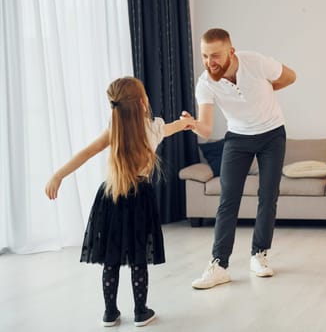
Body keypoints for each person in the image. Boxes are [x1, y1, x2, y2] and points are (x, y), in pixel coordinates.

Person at [45, 77, 191, 327]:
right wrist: (187, 122)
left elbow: (86, 153)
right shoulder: (154, 127)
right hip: (140, 199)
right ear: (143, 103)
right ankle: (140, 311)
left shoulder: (113, 130)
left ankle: (110, 313)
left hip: (110, 197)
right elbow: (174, 127)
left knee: (111, 258)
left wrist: (58, 175)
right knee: (138, 259)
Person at [182, 28, 296, 290]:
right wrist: (193, 124)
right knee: (228, 201)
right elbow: (208, 128)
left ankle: (259, 255)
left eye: (215, 55)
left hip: (272, 134)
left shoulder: (255, 62)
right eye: (204, 56)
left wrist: (268, 89)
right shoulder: (205, 83)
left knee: (268, 196)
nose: (210, 62)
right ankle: (220, 265)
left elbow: (291, 76)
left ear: (231, 52)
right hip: (238, 137)